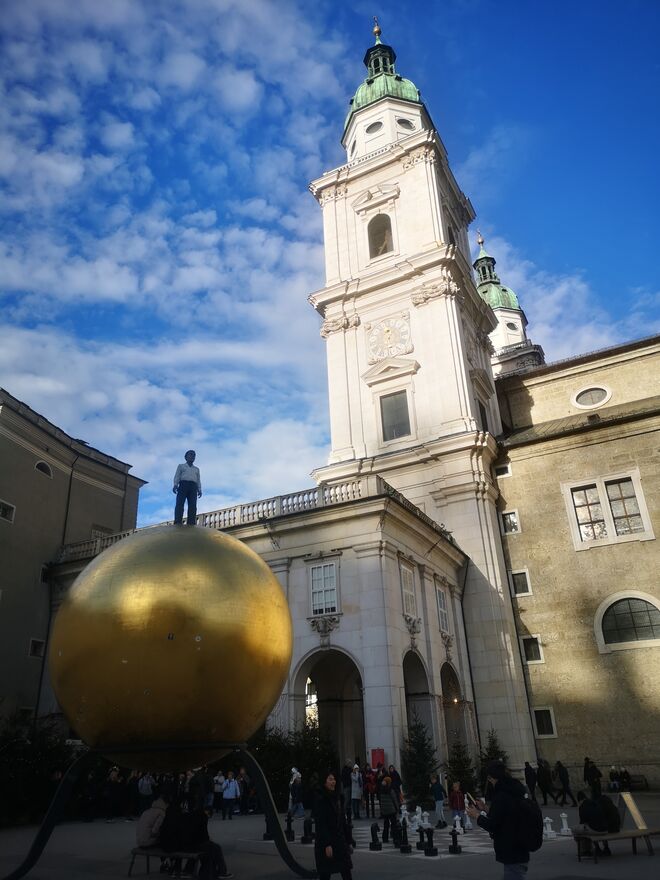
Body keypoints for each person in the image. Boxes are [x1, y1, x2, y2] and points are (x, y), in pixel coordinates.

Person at [466, 761, 531, 879]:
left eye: (489, 779)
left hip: (511, 849)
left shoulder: (501, 796)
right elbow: (505, 816)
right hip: (520, 846)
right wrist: (485, 808)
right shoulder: (513, 792)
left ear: (492, 778)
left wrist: (477, 816)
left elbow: (493, 825)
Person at [314, 771, 354, 880]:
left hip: (340, 842)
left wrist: (349, 841)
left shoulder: (338, 798)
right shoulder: (321, 799)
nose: (333, 782)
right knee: (325, 873)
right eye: (330, 779)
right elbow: (321, 824)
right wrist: (327, 844)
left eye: (334, 779)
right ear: (324, 782)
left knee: (346, 871)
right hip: (326, 843)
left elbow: (343, 822)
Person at [577, 790, 620, 858]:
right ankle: (606, 848)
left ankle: (588, 850)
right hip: (608, 828)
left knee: (580, 830)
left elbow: (582, 822)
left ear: (580, 801)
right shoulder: (597, 804)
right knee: (597, 825)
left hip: (602, 829)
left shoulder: (583, 807)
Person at [173, 450, 202, 525]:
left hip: (193, 486)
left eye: (194, 455)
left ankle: (191, 522)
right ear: (186, 457)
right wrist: (175, 485)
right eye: (190, 454)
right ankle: (178, 521)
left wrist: (199, 489)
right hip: (183, 485)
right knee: (180, 503)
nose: (192, 456)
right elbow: (177, 476)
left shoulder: (196, 469)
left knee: (193, 505)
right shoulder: (181, 466)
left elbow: (198, 480)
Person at [377, 776, 400, 843]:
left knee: (386, 825)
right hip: (391, 810)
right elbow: (394, 800)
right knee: (394, 824)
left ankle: (385, 838)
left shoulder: (381, 790)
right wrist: (397, 808)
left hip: (384, 810)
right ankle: (395, 838)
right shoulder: (390, 790)